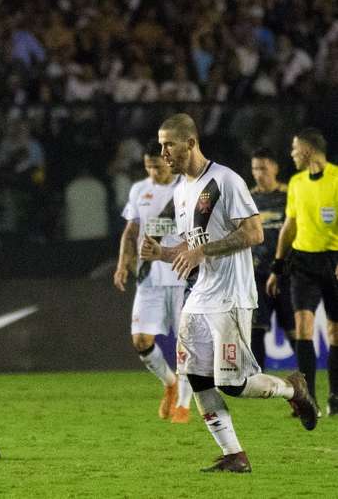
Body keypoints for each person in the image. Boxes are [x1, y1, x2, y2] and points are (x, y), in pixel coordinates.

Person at [141, 113, 318, 473]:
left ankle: (292, 389)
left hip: (232, 296)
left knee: (233, 383)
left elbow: (254, 234)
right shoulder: (182, 191)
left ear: (190, 143)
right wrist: (161, 253)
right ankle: (234, 454)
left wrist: (200, 252)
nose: (164, 153)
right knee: (197, 376)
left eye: (168, 145)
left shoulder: (225, 180)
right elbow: (193, 248)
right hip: (201, 295)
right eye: (160, 146)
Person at [114, 140, 193, 423]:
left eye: (157, 167)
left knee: (186, 343)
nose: (153, 172)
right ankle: (169, 383)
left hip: (181, 273)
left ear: (168, 162)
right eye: (148, 167)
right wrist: (123, 263)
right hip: (149, 278)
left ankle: (183, 405)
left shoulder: (186, 187)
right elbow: (131, 229)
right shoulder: (139, 189)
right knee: (140, 340)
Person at [266, 128, 338, 415]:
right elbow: (289, 226)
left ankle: (335, 397)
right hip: (303, 264)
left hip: (333, 261)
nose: (292, 154)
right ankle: (309, 402)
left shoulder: (336, 178)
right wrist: (277, 267)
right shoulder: (296, 183)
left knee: (334, 332)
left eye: (295, 149)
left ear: (307, 151)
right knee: (304, 330)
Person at [249, 148, 295, 371]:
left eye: (263, 169)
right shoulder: (248, 199)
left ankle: (309, 378)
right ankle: (258, 378)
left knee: (295, 328)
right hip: (256, 273)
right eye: (255, 169)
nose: (259, 174)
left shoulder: (289, 195)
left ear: (275, 168)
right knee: (256, 327)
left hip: (286, 273)